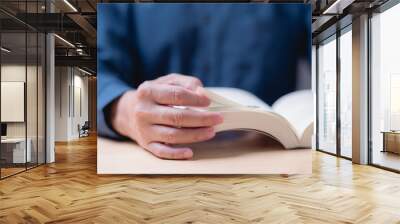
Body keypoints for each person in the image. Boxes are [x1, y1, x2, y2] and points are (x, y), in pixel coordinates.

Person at [98, 3, 311, 160]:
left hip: (270, 160)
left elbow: (326, 38)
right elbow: (98, 69)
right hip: (158, 162)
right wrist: (125, 110)